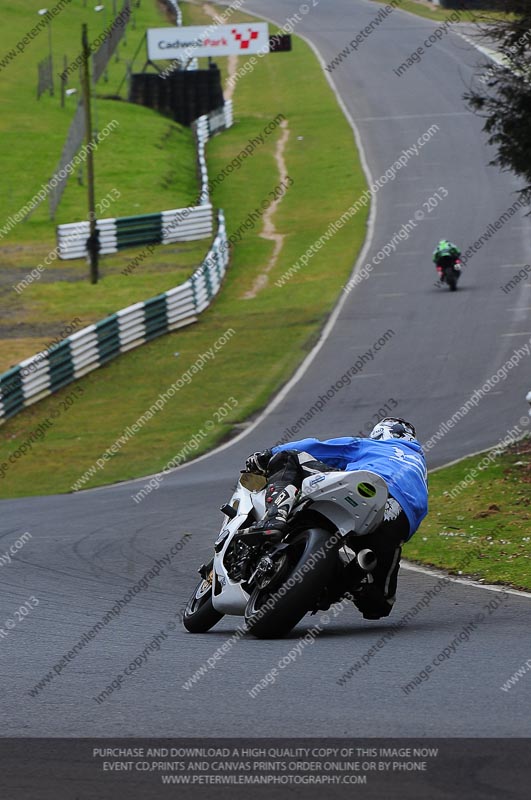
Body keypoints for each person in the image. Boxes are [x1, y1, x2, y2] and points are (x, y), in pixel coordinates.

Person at [243, 418, 428, 620]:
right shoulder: (419, 467)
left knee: (289, 457)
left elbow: (314, 447)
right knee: (379, 604)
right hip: (395, 522)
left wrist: (267, 455)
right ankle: (350, 581)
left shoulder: (376, 445)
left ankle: (275, 517)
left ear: (381, 434)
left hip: (362, 488)